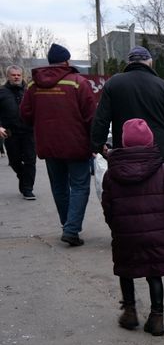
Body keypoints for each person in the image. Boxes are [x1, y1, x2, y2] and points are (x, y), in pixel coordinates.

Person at [101, 118, 164, 337]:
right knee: (154, 273)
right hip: (157, 234)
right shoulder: (162, 170)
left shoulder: (112, 174)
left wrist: (115, 226)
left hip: (125, 233)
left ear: (125, 143)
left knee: (126, 271)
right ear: (150, 142)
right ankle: (157, 317)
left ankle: (129, 312)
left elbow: (107, 205)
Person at [20, 43, 96, 246]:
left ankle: (67, 225)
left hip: (49, 145)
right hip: (76, 144)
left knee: (59, 186)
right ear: (67, 61)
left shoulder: (33, 85)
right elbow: (91, 116)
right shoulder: (78, 82)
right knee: (79, 186)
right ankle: (71, 229)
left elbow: (25, 114)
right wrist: (96, 143)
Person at [91, 46, 164, 162]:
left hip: (124, 152)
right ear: (150, 62)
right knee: (156, 180)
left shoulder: (113, 84)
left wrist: (98, 144)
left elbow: (101, 118)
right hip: (156, 153)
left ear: (129, 62)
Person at [0, 65, 36, 199]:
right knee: (14, 161)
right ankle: (23, 177)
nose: (16, 77)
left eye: (18, 75)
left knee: (30, 161)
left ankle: (28, 189)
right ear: (8, 76)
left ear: (22, 76)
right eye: (13, 75)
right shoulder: (2, 92)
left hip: (29, 132)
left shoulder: (29, 91)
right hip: (10, 133)